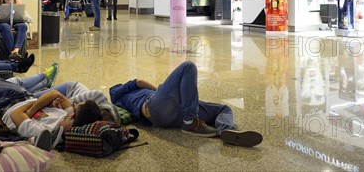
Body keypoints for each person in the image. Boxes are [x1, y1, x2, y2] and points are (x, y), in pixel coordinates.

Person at [110, 61, 263, 147]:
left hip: (169, 115)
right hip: (154, 106)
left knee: (223, 108)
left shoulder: (123, 101)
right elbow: (139, 81)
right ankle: (190, 122)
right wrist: (160, 91)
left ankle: (227, 132)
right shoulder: (116, 91)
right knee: (188, 67)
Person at [2, 89, 103, 151]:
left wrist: (38, 105)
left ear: (72, 116)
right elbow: (55, 94)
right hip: (24, 99)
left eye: (74, 107)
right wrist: (45, 105)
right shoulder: (65, 116)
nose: (72, 106)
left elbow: (14, 113)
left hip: (5, 107)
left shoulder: (44, 133)